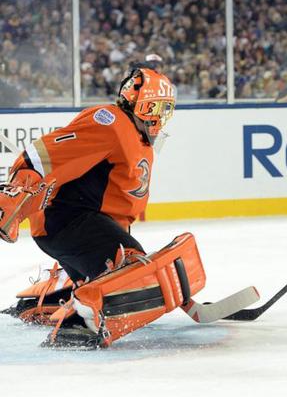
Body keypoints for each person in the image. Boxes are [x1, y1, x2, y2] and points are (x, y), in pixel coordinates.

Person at [0, 65, 209, 348]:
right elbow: (47, 154)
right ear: (133, 101)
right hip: (68, 221)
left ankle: (55, 298)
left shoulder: (139, 140)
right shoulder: (111, 121)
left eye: (165, 109)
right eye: (153, 107)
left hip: (78, 226)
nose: (159, 117)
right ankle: (79, 321)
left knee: (132, 268)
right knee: (130, 269)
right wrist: (16, 193)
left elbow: (117, 210)